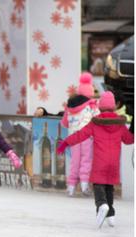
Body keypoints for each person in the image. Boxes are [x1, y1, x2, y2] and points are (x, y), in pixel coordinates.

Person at [57, 91, 134, 228]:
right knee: (109, 187)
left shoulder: (95, 123)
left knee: (98, 186)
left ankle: (102, 205)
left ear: (100, 107)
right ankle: (111, 216)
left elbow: (80, 135)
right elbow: (129, 139)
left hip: (100, 162)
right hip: (114, 163)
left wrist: (65, 143)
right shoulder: (120, 124)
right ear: (114, 106)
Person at [60, 72, 99, 196]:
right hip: (87, 137)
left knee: (75, 161)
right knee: (86, 161)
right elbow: (98, 119)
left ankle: (71, 188)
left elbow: (65, 123)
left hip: (73, 137)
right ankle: (84, 186)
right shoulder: (92, 106)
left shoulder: (69, 106)